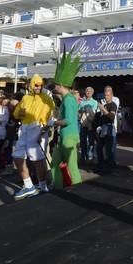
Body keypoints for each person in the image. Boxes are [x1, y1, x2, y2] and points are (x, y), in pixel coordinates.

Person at [12, 74, 55, 200]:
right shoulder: (25, 97)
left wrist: (43, 131)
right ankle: (29, 185)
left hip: (37, 128)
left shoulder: (46, 98)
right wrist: (19, 113)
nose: (38, 87)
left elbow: (51, 116)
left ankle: (42, 185)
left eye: (40, 85)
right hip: (24, 128)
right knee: (17, 157)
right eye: (36, 85)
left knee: (37, 159)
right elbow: (16, 113)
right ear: (31, 85)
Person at [50, 50, 82, 189]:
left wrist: (54, 122)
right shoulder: (66, 99)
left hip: (69, 137)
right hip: (65, 136)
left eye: (56, 84)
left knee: (71, 166)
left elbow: (68, 120)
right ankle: (57, 187)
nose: (55, 86)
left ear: (61, 85)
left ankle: (78, 189)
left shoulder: (69, 100)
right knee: (55, 163)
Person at [94, 86, 118, 173]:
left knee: (109, 149)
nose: (106, 97)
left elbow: (111, 117)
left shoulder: (113, 105)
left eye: (108, 95)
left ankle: (110, 167)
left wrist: (103, 109)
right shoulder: (105, 105)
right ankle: (101, 164)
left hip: (109, 127)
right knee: (99, 147)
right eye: (105, 95)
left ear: (111, 95)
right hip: (103, 128)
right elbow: (101, 117)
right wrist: (98, 126)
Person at [78, 86, 98, 161]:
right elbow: (78, 111)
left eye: (90, 91)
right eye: (87, 91)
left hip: (91, 123)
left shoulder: (95, 102)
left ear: (92, 93)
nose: (88, 92)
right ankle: (83, 157)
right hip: (83, 124)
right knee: (82, 140)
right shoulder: (82, 102)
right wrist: (81, 112)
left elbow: (94, 112)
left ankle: (90, 156)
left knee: (91, 140)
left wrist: (87, 110)